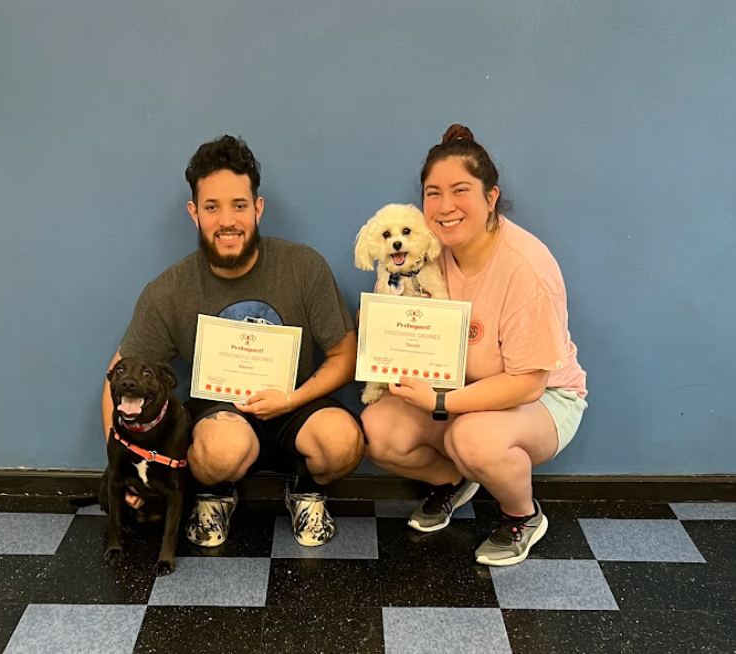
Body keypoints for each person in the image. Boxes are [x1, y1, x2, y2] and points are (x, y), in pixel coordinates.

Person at [102, 135, 364, 548]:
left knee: (343, 442)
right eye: (212, 207)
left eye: (239, 206)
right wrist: (123, 472)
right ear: (194, 213)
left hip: (295, 405)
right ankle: (217, 492)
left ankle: (305, 488)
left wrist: (292, 400)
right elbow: (117, 377)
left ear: (257, 209)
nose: (227, 220)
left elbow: (344, 356)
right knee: (222, 449)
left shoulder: (304, 267)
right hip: (219, 415)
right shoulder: (168, 290)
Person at [361, 124, 588, 566]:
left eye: (460, 190)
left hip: (541, 398)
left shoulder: (526, 268)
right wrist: (378, 321)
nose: (445, 208)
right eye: (433, 193)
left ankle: (522, 516)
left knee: (471, 436)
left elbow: (527, 385)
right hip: (456, 388)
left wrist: (442, 401)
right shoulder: (428, 249)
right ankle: (452, 482)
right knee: (377, 430)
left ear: (491, 197)